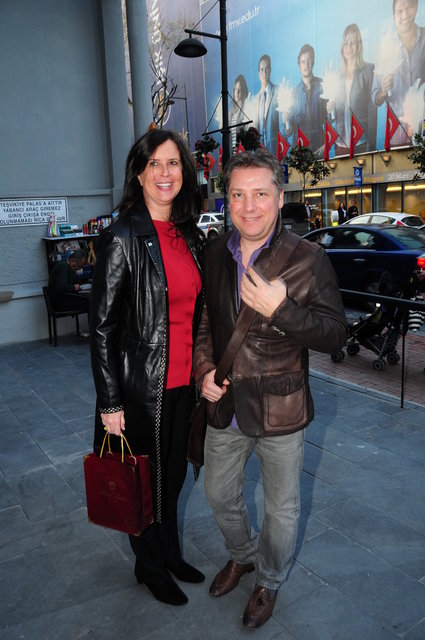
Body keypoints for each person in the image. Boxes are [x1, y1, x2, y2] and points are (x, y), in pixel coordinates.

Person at [193, 149, 348, 629]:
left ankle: (269, 579)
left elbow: (335, 335)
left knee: (282, 510)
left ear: (280, 198)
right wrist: (203, 369)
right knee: (218, 493)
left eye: (260, 193)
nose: (249, 206)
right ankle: (242, 555)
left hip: (281, 407)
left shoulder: (309, 259)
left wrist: (281, 310)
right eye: (238, 195)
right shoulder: (215, 252)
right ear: (227, 200)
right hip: (226, 403)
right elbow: (206, 321)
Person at [90, 129, 205, 607]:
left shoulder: (189, 236)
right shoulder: (122, 237)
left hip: (184, 385)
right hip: (141, 388)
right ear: (138, 174)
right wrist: (110, 402)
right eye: (153, 163)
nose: (164, 173)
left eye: (173, 163)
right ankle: (150, 566)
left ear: (184, 172)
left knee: (172, 478)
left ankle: (170, 554)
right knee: (144, 482)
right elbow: (102, 328)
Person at [372, 0, 425, 146]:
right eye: (400, 11)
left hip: (423, 126)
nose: (405, 15)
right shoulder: (385, 47)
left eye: (408, 8)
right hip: (397, 132)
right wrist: (383, 91)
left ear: (416, 8)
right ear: (394, 16)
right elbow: (375, 98)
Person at [327, 23, 377, 154]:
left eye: (352, 43)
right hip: (340, 144)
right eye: (346, 43)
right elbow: (332, 118)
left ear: (359, 45)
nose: (348, 47)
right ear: (342, 47)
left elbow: (372, 112)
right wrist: (331, 110)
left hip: (361, 142)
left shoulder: (368, 70)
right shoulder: (337, 77)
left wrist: (371, 145)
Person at [283, 44, 326, 156]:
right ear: (299, 66)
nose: (306, 65)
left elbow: (330, 119)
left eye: (309, 60)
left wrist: (326, 145)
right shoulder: (293, 94)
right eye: (303, 62)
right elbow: (289, 132)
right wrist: (286, 122)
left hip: (319, 149)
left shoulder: (323, 85)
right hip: (300, 152)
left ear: (313, 62)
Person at [48, 249, 90, 314]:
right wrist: (74, 287)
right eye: (79, 265)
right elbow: (60, 286)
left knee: (90, 299)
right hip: (61, 303)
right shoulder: (63, 267)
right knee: (91, 301)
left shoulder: (66, 266)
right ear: (73, 261)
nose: (79, 268)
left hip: (63, 300)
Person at [253, 54, 280, 154]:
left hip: (275, 149)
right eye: (262, 69)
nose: (264, 72)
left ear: (270, 70)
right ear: (258, 73)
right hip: (260, 152)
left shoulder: (278, 91)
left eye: (267, 68)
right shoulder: (255, 100)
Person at [230, 74, 249, 150]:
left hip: (243, 153)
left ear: (244, 91)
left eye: (239, 89)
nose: (237, 92)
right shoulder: (230, 114)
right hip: (232, 154)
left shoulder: (246, 110)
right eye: (235, 89)